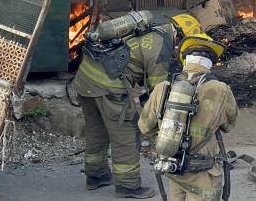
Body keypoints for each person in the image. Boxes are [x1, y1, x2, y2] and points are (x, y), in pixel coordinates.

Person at [72, 12, 202, 198]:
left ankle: (96, 176)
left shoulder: (145, 28)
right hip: (109, 88)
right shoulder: (160, 47)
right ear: (180, 37)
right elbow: (158, 91)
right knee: (126, 134)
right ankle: (128, 185)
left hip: (85, 79)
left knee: (96, 130)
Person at [139, 31, 238, 201]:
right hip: (203, 171)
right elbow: (229, 125)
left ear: (185, 60)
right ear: (210, 63)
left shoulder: (163, 87)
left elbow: (145, 127)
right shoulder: (220, 90)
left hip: (174, 168)